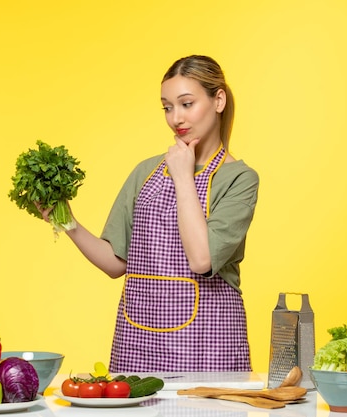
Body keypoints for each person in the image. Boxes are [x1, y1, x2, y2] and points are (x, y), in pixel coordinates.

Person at [40, 55, 259, 372]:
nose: (176, 119)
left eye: (186, 103)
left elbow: (202, 260)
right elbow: (116, 264)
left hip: (207, 344)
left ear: (219, 100)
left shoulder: (239, 179)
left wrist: (183, 177)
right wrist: (64, 221)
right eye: (167, 107)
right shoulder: (146, 171)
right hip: (139, 340)